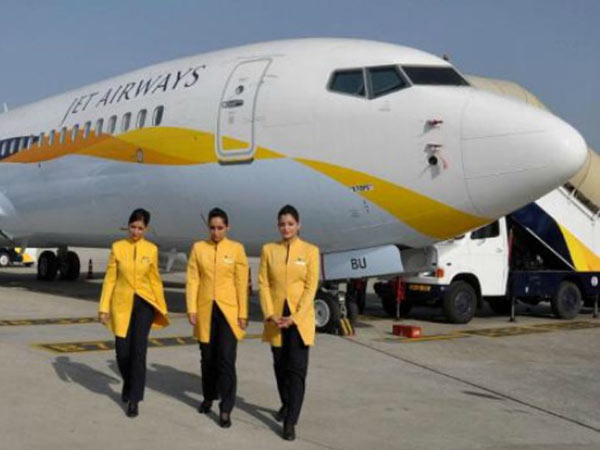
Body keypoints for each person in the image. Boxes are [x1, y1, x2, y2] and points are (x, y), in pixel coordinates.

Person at [98, 208, 169, 418]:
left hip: (144, 304)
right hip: (122, 304)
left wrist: (162, 306)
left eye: (140, 228)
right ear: (128, 226)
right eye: (133, 227)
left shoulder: (151, 250)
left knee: (139, 352)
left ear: (146, 229)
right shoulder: (117, 247)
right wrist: (103, 307)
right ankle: (129, 383)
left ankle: (134, 399)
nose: (136, 232)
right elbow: (110, 279)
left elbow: (155, 280)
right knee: (122, 352)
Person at [258, 204, 320, 441]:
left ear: (298, 225)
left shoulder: (310, 251)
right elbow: (263, 283)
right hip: (276, 317)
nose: (286, 228)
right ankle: (286, 403)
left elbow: (310, 288)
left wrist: (295, 317)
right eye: (282, 224)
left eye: (290, 224)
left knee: (296, 370)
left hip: (298, 320)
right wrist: (269, 313)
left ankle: (290, 421)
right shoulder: (269, 250)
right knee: (280, 367)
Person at [186, 207, 249, 428]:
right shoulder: (198, 248)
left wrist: (243, 313)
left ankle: (226, 408)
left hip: (229, 311)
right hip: (205, 309)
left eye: (220, 228)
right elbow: (193, 280)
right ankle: (208, 396)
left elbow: (241, 283)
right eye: (212, 228)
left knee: (226, 359)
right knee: (207, 358)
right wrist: (191, 308)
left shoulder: (237, 249)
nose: (216, 232)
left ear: (227, 227)